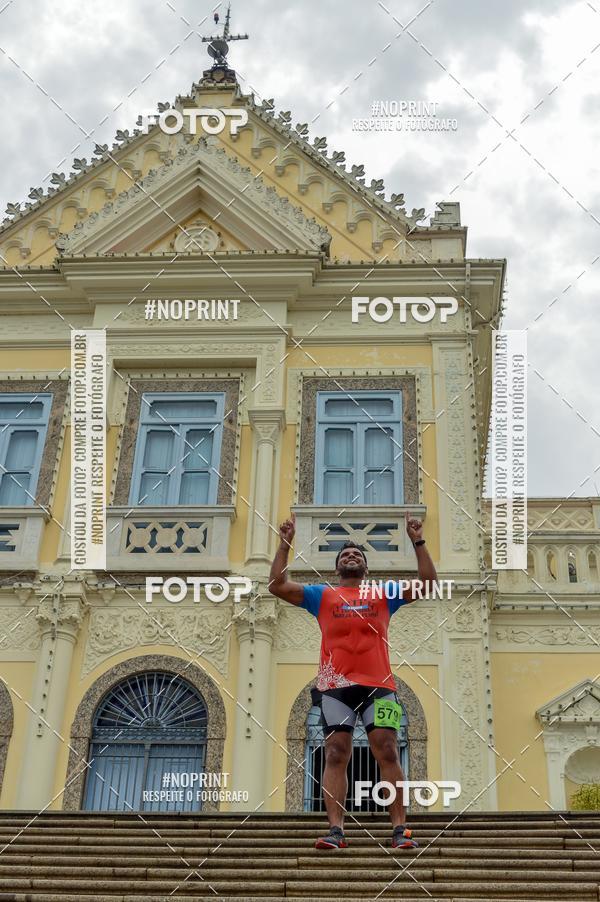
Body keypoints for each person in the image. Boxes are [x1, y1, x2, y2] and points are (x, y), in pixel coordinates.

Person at [269, 511, 437, 850]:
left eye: (357, 555)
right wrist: (285, 545)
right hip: (335, 688)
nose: (350, 556)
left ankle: (400, 830)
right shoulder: (321, 595)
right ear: (337, 568)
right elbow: (277, 586)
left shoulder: (384, 593)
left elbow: (429, 584)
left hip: (379, 686)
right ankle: (336, 831)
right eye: (345, 554)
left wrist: (418, 540)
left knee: (387, 750)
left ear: (366, 568)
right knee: (335, 752)